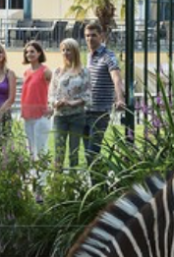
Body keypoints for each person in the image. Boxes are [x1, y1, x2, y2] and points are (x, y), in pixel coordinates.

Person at [83, 20, 125, 166]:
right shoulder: (88, 56)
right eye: (87, 36)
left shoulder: (108, 56)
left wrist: (120, 98)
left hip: (100, 112)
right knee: (88, 154)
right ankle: (98, 183)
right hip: (86, 110)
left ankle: (100, 183)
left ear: (101, 36)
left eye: (93, 35)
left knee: (92, 151)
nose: (90, 39)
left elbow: (116, 77)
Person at [48, 38, 90, 170]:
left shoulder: (84, 72)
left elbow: (88, 94)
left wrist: (74, 103)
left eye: (69, 50)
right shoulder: (57, 72)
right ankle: (57, 181)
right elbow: (51, 93)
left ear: (75, 52)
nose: (66, 53)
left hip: (77, 116)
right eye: (63, 50)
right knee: (59, 150)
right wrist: (56, 103)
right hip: (60, 116)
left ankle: (73, 181)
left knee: (74, 150)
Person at [20, 40, 52, 160]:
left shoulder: (45, 71)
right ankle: (32, 176)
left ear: (39, 53)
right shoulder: (26, 72)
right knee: (31, 149)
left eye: (32, 52)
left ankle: (42, 178)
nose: (29, 54)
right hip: (28, 115)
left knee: (41, 149)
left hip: (41, 115)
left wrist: (51, 106)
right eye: (27, 52)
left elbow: (56, 88)